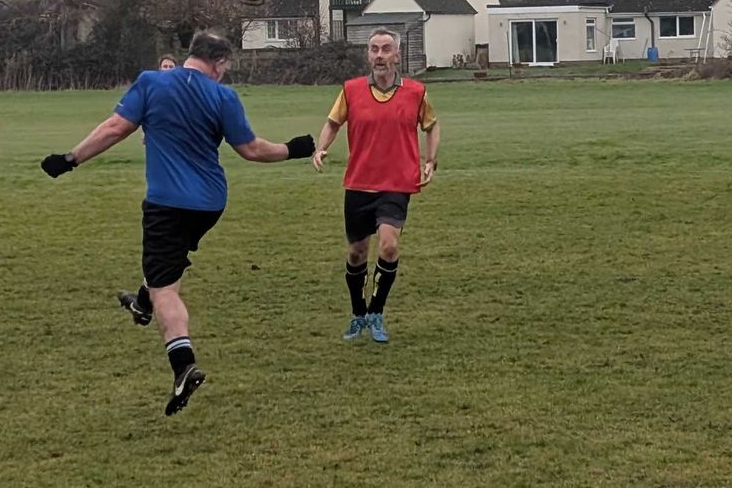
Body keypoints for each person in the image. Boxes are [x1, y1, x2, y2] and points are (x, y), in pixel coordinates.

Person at [40, 31, 314, 416]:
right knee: (167, 266)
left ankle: (183, 363)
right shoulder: (224, 97)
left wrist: (70, 159)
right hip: (210, 204)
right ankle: (142, 301)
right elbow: (252, 150)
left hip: (167, 204)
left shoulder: (152, 82)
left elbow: (115, 128)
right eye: (225, 68)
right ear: (218, 63)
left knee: (166, 286)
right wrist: (295, 149)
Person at [309, 29, 440, 343]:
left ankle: (377, 311)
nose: (379, 55)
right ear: (368, 55)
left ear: (397, 55)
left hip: (396, 183)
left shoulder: (416, 92)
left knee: (389, 246)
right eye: (373, 49)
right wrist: (321, 147)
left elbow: (432, 127)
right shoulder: (351, 90)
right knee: (356, 254)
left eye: (386, 49)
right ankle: (358, 313)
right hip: (359, 184)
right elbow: (333, 123)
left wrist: (430, 160)